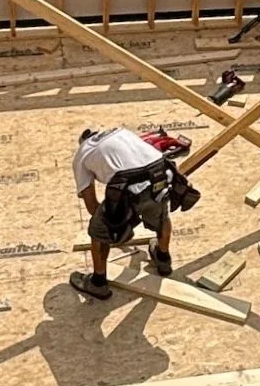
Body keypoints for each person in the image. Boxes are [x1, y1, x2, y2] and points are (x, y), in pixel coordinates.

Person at [71, 125, 180, 301]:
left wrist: (115, 223)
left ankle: (98, 282)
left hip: (130, 184)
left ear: (82, 143)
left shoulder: (82, 154)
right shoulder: (121, 132)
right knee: (161, 216)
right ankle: (163, 258)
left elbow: (92, 206)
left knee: (98, 231)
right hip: (160, 173)